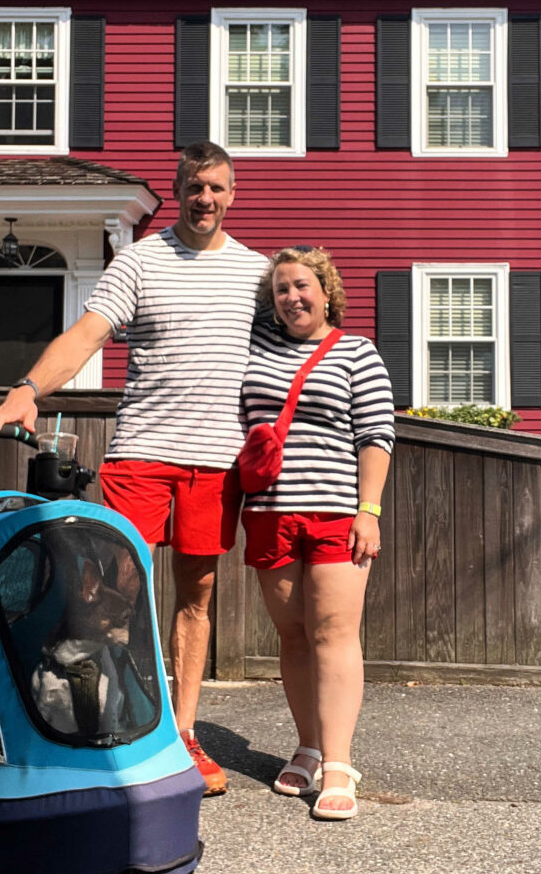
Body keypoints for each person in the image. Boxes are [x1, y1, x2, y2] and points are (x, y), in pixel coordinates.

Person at [0, 141, 267, 795]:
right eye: (195, 187)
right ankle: (110, 730)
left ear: (232, 193)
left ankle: (183, 734)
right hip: (142, 455)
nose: (206, 199)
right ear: (179, 189)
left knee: (196, 596)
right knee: (110, 600)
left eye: (217, 187)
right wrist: (27, 390)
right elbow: (84, 336)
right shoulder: (139, 261)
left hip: (217, 464)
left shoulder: (256, 272)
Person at [240, 246, 394, 820]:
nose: (291, 297)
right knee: (294, 634)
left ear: (326, 291)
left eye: (301, 285)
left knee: (334, 633)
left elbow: (376, 433)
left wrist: (369, 509)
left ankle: (338, 763)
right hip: (268, 513)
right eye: (280, 289)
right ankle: (306, 745)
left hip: (335, 514)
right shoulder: (256, 352)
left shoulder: (357, 351)